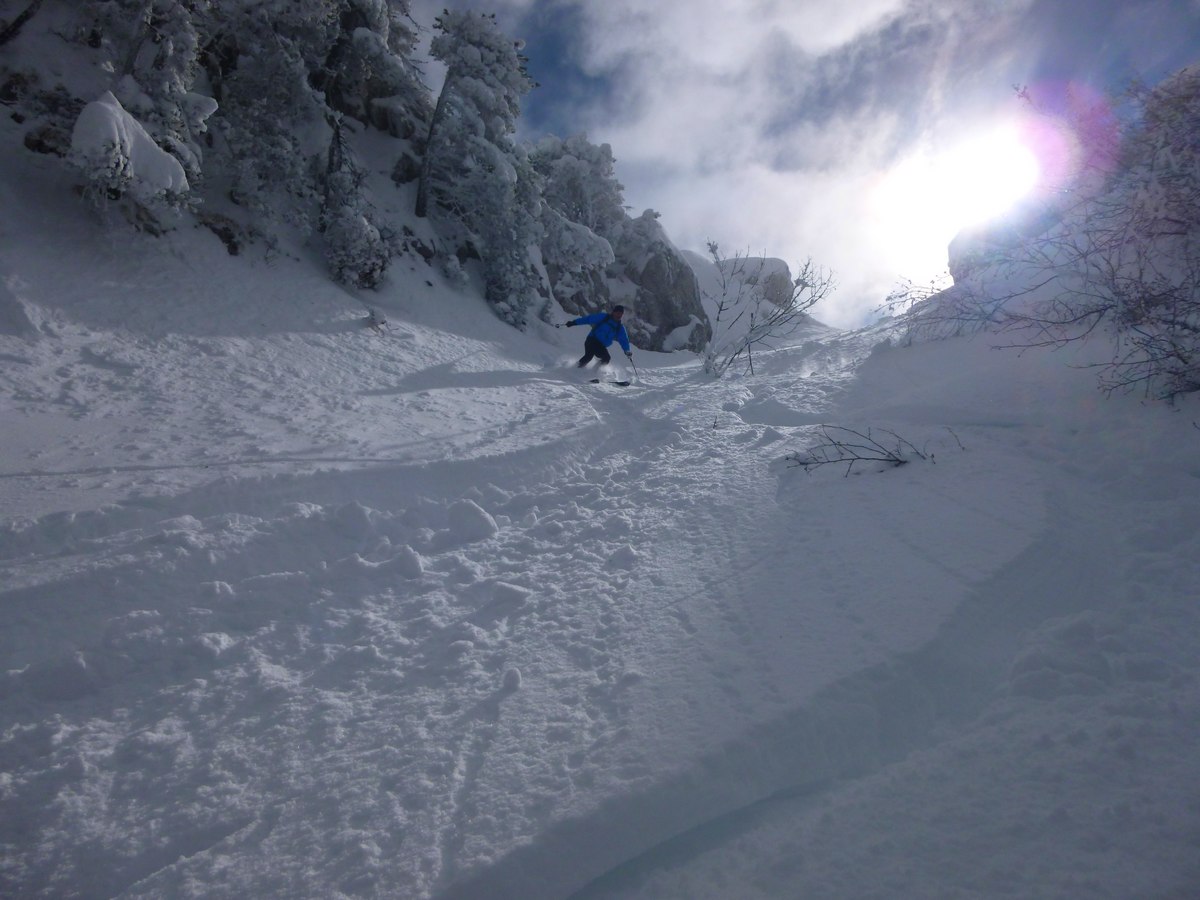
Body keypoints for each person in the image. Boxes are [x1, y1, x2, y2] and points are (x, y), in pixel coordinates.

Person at [565, 305, 633, 369]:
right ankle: (576, 369)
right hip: (592, 340)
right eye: (618, 313)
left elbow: (624, 340)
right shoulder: (604, 317)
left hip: (601, 345)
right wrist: (574, 322)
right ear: (613, 312)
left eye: (621, 314)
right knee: (589, 356)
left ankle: (593, 372)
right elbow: (588, 319)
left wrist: (627, 350)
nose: (619, 315)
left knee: (606, 358)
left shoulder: (619, 327)